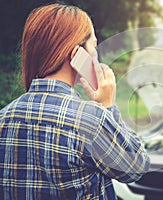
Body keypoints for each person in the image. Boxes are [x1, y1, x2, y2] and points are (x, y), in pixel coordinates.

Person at [0, 3, 150, 200]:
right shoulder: (90, 120)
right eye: (93, 46)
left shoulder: (4, 117)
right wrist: (108, 107)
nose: (95, 55)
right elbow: (136, 166)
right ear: (76, 55)